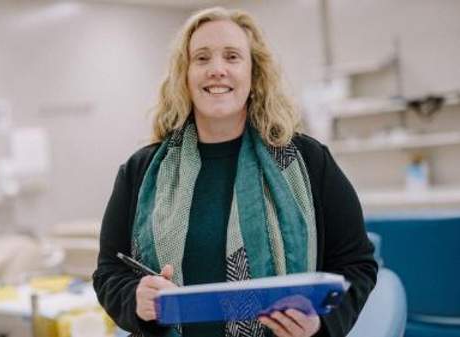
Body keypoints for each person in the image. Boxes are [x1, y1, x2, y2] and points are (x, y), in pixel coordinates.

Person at [93, 6, 377, 337]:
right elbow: (109, 272)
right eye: (202, 58)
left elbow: (358, 265)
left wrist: (321, 325)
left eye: (232, 57)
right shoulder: (140, 172)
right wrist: (134, 298)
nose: (217, 70)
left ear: (254, 75)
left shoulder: (310, 162)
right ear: (184, 77)